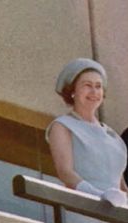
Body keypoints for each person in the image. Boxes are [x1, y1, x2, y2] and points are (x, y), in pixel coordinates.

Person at [46, 58, 128, 207]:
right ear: (72, 91)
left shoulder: (114, 137)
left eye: (98, 86)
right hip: (82, 210)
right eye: (87, 85)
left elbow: (121, 186)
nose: (94, 92)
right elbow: (65, 173)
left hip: (115, 213)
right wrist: (99, 197)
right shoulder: (63, 126)